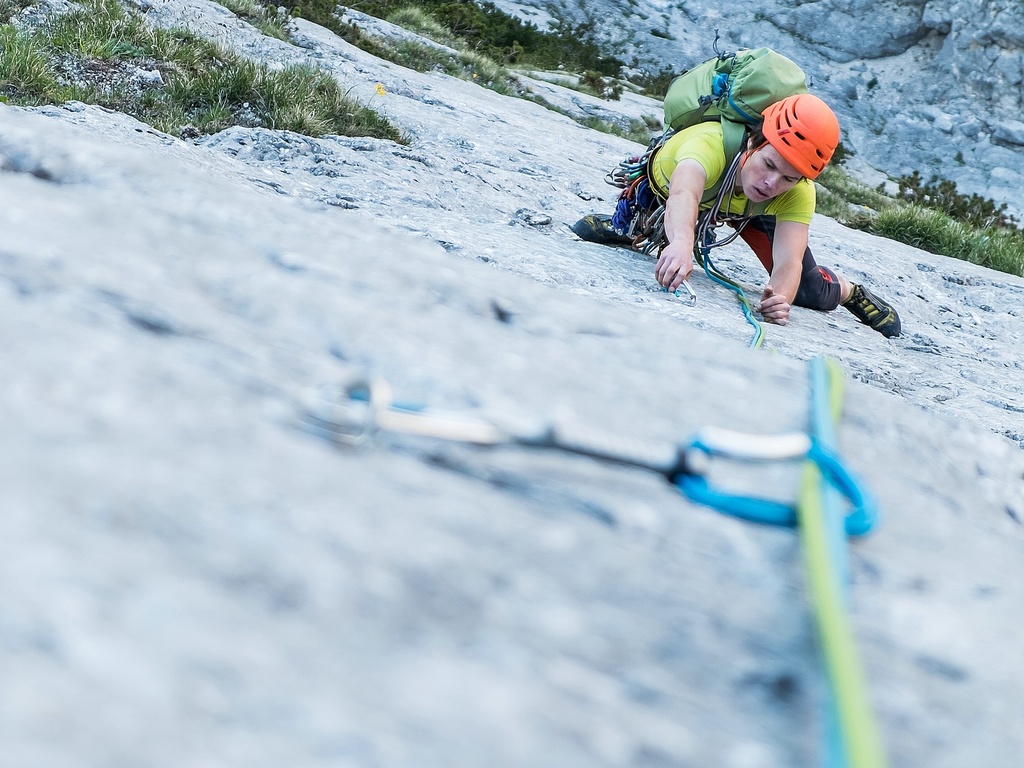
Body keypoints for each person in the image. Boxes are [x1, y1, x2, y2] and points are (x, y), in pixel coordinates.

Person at [572, 93, 901, 338]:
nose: (771, 183)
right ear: (752, 143)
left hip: (748, 211)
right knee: (661, 230)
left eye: (788, 178)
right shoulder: (710, 146)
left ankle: (850, 291)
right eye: (769, 164)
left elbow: (789, 263)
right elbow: (684, 194)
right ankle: (632, 229)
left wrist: (780, 297)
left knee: (808, 292)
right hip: (682, 191)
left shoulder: (796, 192)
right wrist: (683, 243)